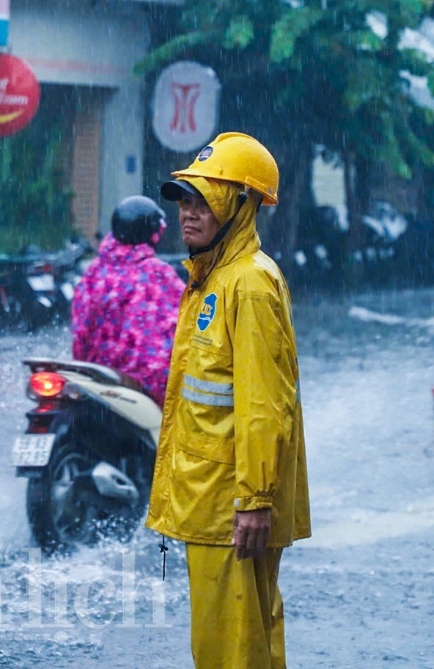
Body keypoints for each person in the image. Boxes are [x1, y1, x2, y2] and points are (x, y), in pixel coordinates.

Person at [145, 132, 311, 668]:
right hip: (211, 500)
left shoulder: (250, 285)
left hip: (231, 505)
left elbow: (264, 402)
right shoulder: (211, 279)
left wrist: (255, 498)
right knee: (237, 645)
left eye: (204, 200)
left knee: (233, 651)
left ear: (239, 206)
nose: (188, 214)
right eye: (185, 201)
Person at [71, 195, 185, 407]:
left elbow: (80, 334)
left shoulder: (94, 272)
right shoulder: (158, 273)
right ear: (151, 234)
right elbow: (189, 325)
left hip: (96, 379)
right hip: (145, 387)